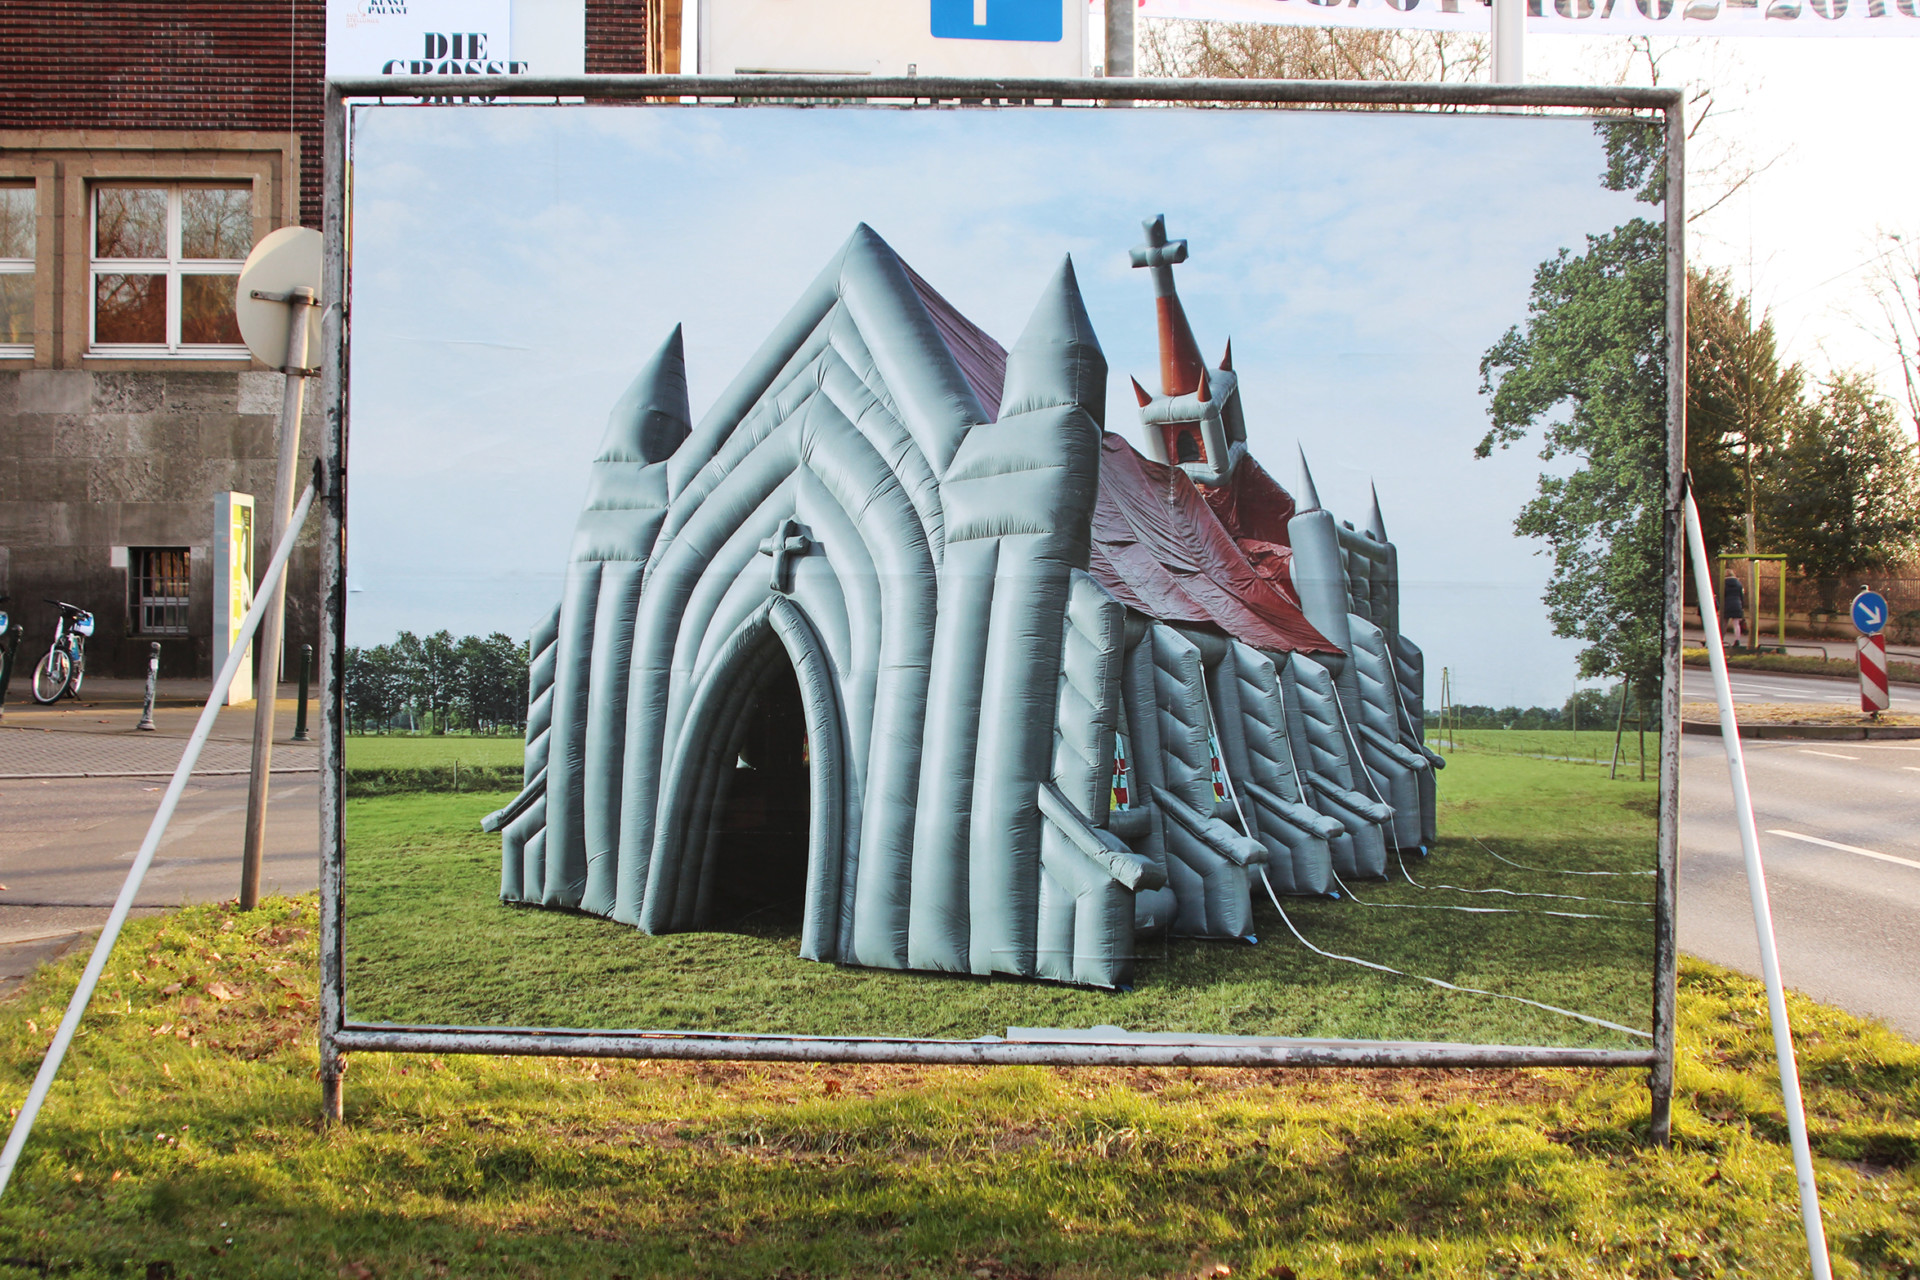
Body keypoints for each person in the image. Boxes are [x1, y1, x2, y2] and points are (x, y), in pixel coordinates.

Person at [1722, 571, 1747, 649]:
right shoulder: (1738, 584)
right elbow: (1741, 596)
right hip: (1737, 604)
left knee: (1724, 623)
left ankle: (1721, 639)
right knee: (1736, 624)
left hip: (1727, 605)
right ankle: (1737, 640)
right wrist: (1742, 606)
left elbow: (1723, 594)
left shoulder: (1724, 584)